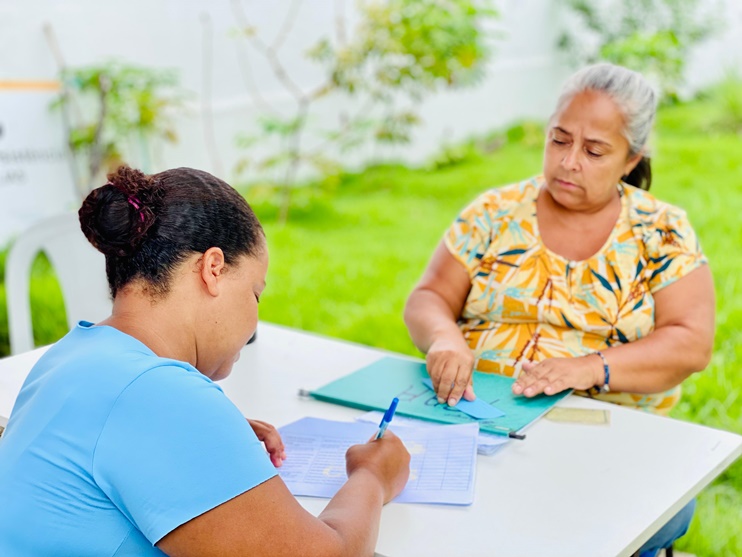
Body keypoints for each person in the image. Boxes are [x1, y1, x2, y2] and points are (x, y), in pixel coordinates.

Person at [0, 166, 410, 557]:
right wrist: (372, 476)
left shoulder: (72, 355)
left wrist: (211, 437)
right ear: (213, 268)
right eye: (255, 293)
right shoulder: (158, 397)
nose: (253, 323)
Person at [404, 63, 714, 556]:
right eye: (559, 140)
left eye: (594, 151)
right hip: (481, 423)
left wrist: (588, 369)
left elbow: (690, 343)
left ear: (631, 159)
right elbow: (429, 297)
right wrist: (444, 338)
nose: (569, 162)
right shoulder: (494, 212)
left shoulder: (662, 231)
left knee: (629, 519)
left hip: (607, 437)